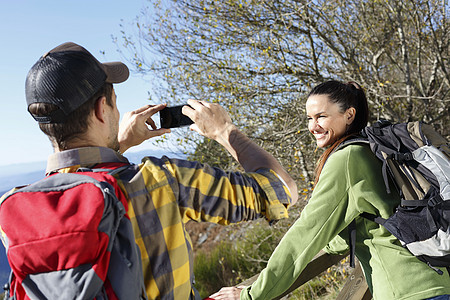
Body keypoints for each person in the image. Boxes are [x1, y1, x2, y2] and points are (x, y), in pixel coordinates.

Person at [20, 42, 298, 300]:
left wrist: (119, 145)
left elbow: (89, 184)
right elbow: (282, 191)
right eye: (115, 102)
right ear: (102, 109)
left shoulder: (22, 214)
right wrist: (224, 131)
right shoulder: (161, 181)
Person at [210, 80, 450, 300]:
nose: (313, 126)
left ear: (349, 115)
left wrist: (252, 294)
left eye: (321, 116)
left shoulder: (346, 159)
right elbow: (352, 231)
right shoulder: (372, 149)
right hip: (437, 279)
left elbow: (304, 235)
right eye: (308, 118)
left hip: (407, 291)